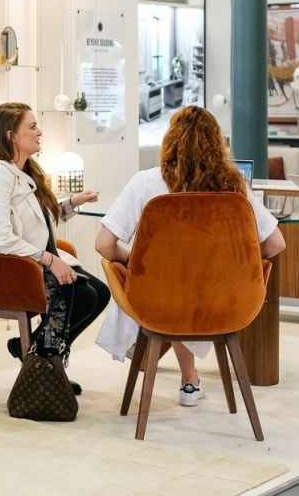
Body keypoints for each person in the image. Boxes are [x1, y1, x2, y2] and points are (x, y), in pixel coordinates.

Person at [94, 106, 286, 406]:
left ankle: (180, 372)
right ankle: (189, 379)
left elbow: (104, 244)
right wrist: (234, 262)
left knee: (173, 285)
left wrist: (131, 259)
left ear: (170, 140)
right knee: (186, 286)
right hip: (220, 299)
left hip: (159, 298)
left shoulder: (146, 182)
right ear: (216, 145)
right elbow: (275, 244)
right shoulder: (234, 188)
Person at [0, 103, 110, 390]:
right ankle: (43, 363)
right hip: (14, 269)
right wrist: (49, 259)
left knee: (100, 293)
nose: (40, 132)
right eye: (32, 126)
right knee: (82, 296)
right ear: (10, 135)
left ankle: (38, 356)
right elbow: (0, 237)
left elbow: (36, 220)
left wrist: (72, 204)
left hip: (35, 262)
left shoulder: (24, 171)